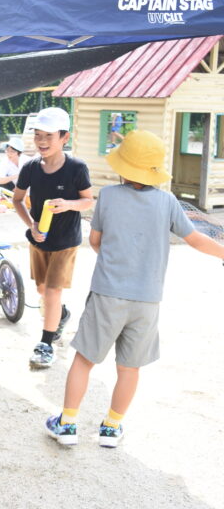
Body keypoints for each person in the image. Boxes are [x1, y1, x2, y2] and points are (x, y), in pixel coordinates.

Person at [45, 130, 224, 448]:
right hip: (147, 300)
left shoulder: (110, 197)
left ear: (123, 167)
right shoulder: (168, 201)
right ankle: (111, 428)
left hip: (108, 294)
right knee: (129, 367)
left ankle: (68, 424)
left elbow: (96, 241)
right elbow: (195, 238)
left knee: (85, 359)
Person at [12, 107, 94, 369]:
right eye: (37, 135)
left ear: (64, 137)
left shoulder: (76, 168)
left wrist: (69, 204)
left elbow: (87, 201)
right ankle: (62, 314)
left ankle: (46, 344)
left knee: (51, 291)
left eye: (49, 135)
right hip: (38, 239)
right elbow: (17, 200)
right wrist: (32, 225)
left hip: (65, 241)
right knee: (41, 290)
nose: (42, 141)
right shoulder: (30, 167)